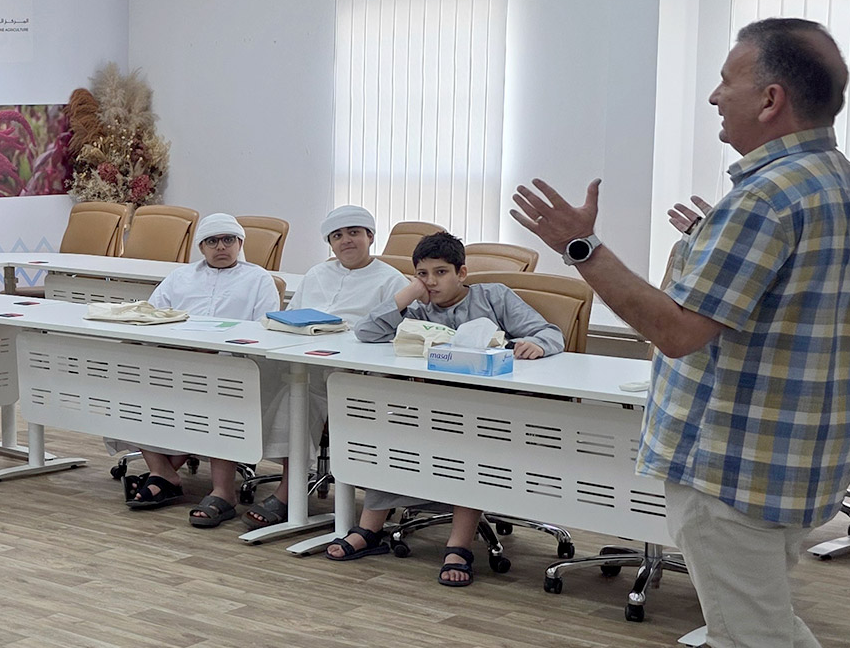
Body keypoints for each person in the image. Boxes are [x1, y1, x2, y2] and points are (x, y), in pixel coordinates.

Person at [511, 17, 850, 648]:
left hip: (733, 454)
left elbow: (676, 331)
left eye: (727, 80)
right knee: (772, 626)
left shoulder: (766, 198)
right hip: (796, 452)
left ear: (770, 98)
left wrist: (579, 247)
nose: (712, 96)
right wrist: (709, 241)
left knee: (750, 644)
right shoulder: (849, 186)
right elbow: (771, 305)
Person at [324, 232, 565, 587]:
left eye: (440, 273)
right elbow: (365, 332)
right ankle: (370, 529)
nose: (431, 282)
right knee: (384, 434)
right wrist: (408, 294)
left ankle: (458, 545)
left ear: (461, 273)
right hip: (429, 407)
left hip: (490, 412)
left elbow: (550, 333)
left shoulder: (494, 297)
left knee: (469, 444)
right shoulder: (419, 308)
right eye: (423, 274)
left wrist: (536, 345)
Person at [108, 213, 286, 527]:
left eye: (228, 240)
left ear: (240, 243)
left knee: (218, 395)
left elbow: (265, 331)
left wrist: (219, 348)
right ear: (201, 247)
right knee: (130, 385)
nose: (221, 247)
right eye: (212, 241)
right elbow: (152, 315)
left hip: (233, 367)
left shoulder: (258, 279)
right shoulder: (180, 277)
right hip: (178, 362)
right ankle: (163, 472)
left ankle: (220, 490)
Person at [273, 206, 409, 525]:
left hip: (362, 372)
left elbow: (398, 338)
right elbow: (289, 316)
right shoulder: (316, 274)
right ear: (330, 244)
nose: (346, 241)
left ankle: (294, 493)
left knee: (309, 395)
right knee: (285, 389)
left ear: (370, 237)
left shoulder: (392, 281)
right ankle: (288, 486)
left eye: (353, 233)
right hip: (309, 362)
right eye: (338, 236)